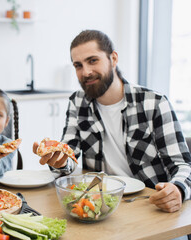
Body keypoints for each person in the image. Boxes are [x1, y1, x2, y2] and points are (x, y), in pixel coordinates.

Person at [33, 29, 191, 213]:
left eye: (93, 60)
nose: (86, 72)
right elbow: (69, 157)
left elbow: (182, 165)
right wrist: (59, 162)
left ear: (113, 58)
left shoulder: (154, 103)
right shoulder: (77, 102)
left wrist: (178, 189)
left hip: (150, 205)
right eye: (78, 65)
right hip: (103, 205)